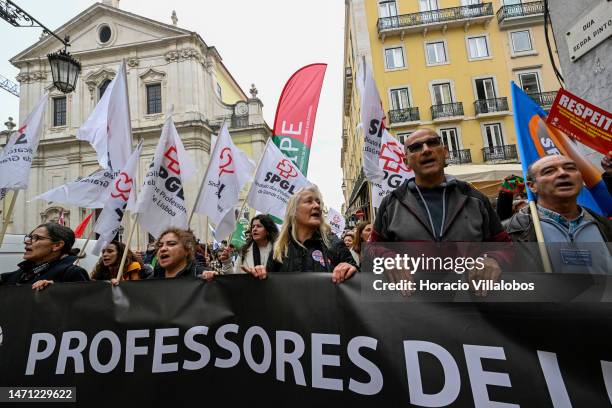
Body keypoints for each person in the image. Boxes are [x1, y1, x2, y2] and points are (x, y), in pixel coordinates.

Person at [371, 129, 510, 294]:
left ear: (445, 151)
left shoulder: (475, 199)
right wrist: (388, 259)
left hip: (471, 307)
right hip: (413, 308)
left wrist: (494, 258)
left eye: (433, 143)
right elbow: (372, 248)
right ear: (406, 161)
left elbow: (505, 245)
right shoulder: (391, 204)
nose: (426, 150)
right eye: (416, 147)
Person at [506, 155, 611, 273]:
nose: (563, 173)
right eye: (549, 171)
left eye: (570, 168)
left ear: (581, 179)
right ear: (532, 186)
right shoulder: (512, 232)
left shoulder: (605, 225)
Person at [244, 185, 357, 283]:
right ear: (294, 211)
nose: (317, 206)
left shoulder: (334, 243)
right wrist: (260, 274)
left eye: (318, 202)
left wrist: (350, 269)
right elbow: (269, 289)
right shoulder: (280, 249)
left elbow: (361, 284)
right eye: (309, 201)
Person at [0, 222, 89, 290]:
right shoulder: (22, 273)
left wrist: (56, 290)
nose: (26, 242)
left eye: (36, 238)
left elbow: (85, 307)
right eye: (30, 237)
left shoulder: (72, 273)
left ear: (57, 245)